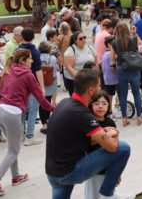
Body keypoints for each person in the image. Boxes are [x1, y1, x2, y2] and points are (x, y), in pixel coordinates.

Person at [46, 69, 132, 199]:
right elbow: (112, 147)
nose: (100, 88)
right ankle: (107, 194)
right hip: (69, 172)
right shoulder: (81, 113)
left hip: (53, 172)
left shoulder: (64, 103)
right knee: (124, 148)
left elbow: (77, 139)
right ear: (91, 90)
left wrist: (101, 133)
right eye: (98, 86)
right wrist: (113, 133)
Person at [0, 49, 55, 196]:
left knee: (13, 147)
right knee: (13, 150)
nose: (32, 61)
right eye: (30, 59)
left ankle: (16, 176)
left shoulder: (7, 70)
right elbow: (41, 99)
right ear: (23, 60)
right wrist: (53, 108)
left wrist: (7, 93)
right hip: (12, 115)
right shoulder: (28, 75)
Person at [84, 90, 117, 199]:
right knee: (92, 195)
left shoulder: (111, 123)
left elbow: (116, 147)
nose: (100, 106)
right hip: (93, 167)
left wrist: (117, 171)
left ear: (108, 106)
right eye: (97, 103)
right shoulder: (89, 122)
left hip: (108, 166)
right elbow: (85, 145)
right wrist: (103, 137)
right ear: (91, 105)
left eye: (104, 103)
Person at [18, 27, 47, 145]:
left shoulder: (17, 50)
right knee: (33, 110)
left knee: (23, 110)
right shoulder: (34, 52)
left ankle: (21, 134)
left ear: (22, 36)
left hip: (20, 84)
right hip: (32, 83)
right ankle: (30, 136)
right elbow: (38, 70)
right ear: (33, 37)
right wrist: (42, 87)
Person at [110, 23, 142, 127]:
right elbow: (141, 43)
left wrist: (114, 66)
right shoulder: (133, 39)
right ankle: (139, 117)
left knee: (122, 95)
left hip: (121, 68)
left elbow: (112, 58)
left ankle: (124, 118)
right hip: (134, 68)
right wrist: (134, 33)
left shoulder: (114, 42)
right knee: (136, 93)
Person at [63, 31, 98, 96]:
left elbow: (96, 61)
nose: (83, 40)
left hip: (88, 78)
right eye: (81, 38)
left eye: (84, 37)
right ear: (75, 41)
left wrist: (95, 74)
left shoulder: (89, 47)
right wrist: (80, 78)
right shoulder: (70, 51)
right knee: (77, 99)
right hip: (74, 80)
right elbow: (68, 67)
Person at [38, 41, 58, 134]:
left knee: (41, 104)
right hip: (50, 83)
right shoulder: (52, 58)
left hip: (39, 84)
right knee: (48, 102)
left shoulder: (37, 57)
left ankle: (44, 125)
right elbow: (54, 73)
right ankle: (48, 121)